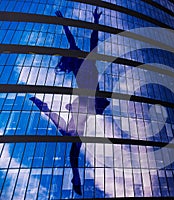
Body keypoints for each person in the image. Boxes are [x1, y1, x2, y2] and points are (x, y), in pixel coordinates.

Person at [30, 8, 109, 196]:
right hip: (85, 104)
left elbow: (91, 42)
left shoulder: (88, 60)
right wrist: (65, 21)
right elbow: (74, 39)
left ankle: (46, 109)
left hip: (89, 103)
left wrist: (94, 21)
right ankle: (75, 177)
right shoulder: (81, 63)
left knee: (71, 137)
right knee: (72, 140)